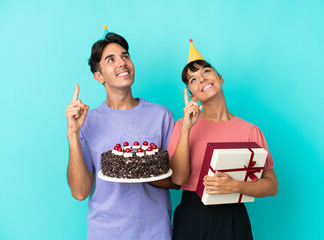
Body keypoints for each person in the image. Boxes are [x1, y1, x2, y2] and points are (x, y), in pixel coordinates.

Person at [66, 30, 177, 240]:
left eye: (125, 56)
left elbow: (178, 179)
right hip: (105, 233)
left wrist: (136, 170)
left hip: (155, 233)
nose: (122, 63)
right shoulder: (87, 121)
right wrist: (73, 133)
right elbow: (80, 192)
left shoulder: (161, 116)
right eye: (111, 59)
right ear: (98, 76)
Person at [168, 41, 279, 240]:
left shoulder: (251, 131)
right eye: (193, 79)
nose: (201, 79)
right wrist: (186, 129)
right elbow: (178, 179)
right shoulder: (181, 126)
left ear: (220, 78)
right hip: (193, 215)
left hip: (234, 217)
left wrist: (236, 186)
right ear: (191, 93)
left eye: (206, 72)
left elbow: (271, 185)